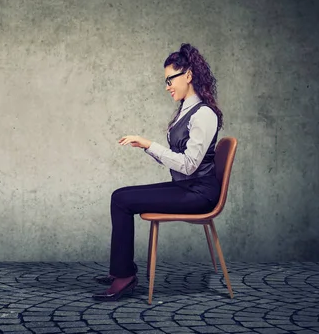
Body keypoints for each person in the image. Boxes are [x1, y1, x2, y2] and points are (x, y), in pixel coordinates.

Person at [92, 43, 224, 301]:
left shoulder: (204, 114)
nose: (167, 86)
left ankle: (124, 276)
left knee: (121, 200)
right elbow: (178, 161)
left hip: (200, 194)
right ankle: (122, 270)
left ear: (188, 75)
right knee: (120, 195)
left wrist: (150, 144)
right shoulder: (185, 110)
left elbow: (188, 165)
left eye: (170, 79)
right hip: (187, 187)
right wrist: (147, 147)